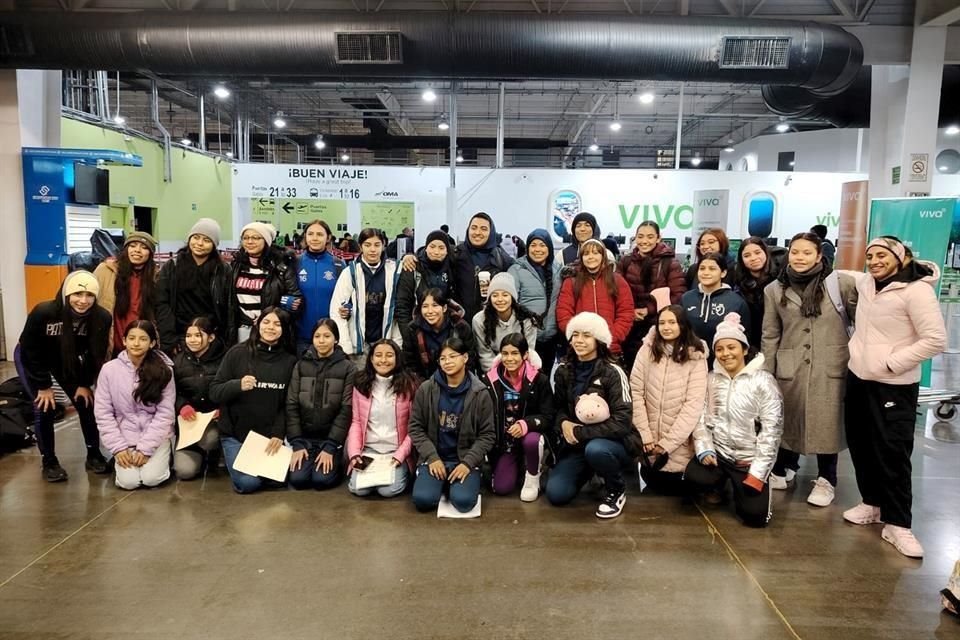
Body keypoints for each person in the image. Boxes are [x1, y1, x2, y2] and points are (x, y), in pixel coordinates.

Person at [841, 236, 946, 558]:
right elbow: (841, 274)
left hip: (894, 384)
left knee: (893, 452)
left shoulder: (917, 291)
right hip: (860, 378)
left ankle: (899, 524)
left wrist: (892, 363)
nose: (874, 261)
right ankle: (871, 503)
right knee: (861, 444)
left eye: (882, 255)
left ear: (901, 257)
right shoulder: (868, 285)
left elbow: (936, 339)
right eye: (870, 255)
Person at [761, 232, 857, 507]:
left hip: (830, 364)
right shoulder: (775, 289)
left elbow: (861, 321)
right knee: (788, 418)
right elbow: (770, 334)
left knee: (827, 423)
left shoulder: (840, 284)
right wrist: (767, 371)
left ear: (819, 255)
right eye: (795, 252)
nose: (799, 258)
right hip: (789, 365)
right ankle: (783, 469)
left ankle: (827, 479)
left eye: (806, 252)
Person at [686, 314, 783, 528]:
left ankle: (754, 484)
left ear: (745, 350)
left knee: (755, 518)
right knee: (693, 477)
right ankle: (718, 486)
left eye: (732, 347)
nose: (725, 354)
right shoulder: (711, 379)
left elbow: (772, 432)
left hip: (748, 461)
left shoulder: (763, 381)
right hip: (720, 455)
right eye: (719, 349)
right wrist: (705, 449)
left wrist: (758, 473)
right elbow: (700, 417)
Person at [16, 270, 111, 481]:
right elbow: (30, 350)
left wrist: (84, 383)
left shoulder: (102, 317)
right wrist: (43, 385)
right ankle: (49, 461)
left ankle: (93, 454)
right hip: (32, 357)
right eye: (77, 294)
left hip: (64, 359)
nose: (83, 301)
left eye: (89, 296)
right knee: (45, 407)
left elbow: (94, 354)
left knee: (85, 403)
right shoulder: (44, 312)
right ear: (66, 294)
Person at [546, 312, 633, 519]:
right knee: (556, 494)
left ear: (598, 339)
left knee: (596, 450)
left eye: (586, 335)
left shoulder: (613, 372)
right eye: (575, 335)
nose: (579, 340)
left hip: (610, 443)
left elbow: (623, 421)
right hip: (577, 445)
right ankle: (590, 472)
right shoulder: (563, 371)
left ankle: (616, 490)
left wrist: (581, 431)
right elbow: (556, 409)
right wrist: (564, 423)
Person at [210, 307, 297, 494]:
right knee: (248, 484)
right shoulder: (237, 353)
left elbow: (287, 404)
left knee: (281, 480)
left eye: (277, 324)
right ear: (257, 324)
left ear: (284, 329)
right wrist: (237, 385)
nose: (271, 327)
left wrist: (278, 433)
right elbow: (214, 392)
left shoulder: (289, 361)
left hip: (268, 438)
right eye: (266, 322)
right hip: (236, 436)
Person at [408, 337, 496, 514]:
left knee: (463, 502)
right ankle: (439, 482)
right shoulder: (426, 389)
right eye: (443, 358)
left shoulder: (480, 393)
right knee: (423, 501)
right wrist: (432, 457)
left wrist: (467, 463)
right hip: (435, 458)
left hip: (464, 459)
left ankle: (457, 482)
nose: (447, 362)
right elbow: (415, 428)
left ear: (465, 358)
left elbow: (487, 435)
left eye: (452, 356)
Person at [628, 304, 708, 495]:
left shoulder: (695, 356)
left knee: (680, 489)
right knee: (653, 484)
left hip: (678, 446)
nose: (666, 327)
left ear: (683, 325)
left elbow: (693, 405)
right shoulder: (646, 351)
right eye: (662, 322)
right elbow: (636, 392)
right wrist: (645, 436)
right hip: (648, 446)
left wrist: (667, 444)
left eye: (672, 322)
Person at [94, 320, 175, 490]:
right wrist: (118, 448)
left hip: (156, 437)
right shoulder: (109, 370)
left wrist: (146, 449)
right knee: (128, 483)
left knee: (151, 479)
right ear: (124, 341)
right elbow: (103, 413)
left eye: (143, 339)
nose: (136, 343)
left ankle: (165, 458)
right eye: (131, 338)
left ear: (152, 343)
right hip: (124, 437)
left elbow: (165, 413)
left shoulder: (165, 370)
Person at [404, 213, 514, 323]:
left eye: (484, 229)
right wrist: (410, 256)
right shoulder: (456, 252)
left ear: (491, 233)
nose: (477, 232)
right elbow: (432, 253)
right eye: (474, 228)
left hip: (490, 322)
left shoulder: (502, 259)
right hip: (459, 322)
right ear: (468, 230)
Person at [285, 319, 356, 490]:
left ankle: (337, 463)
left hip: (331, 439)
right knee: (298, 480)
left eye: (327, 336)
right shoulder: (301, 365)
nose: (321, 340)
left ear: (336, 339)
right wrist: (297, 442)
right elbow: (291, 403)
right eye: (317, 336)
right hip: (305, 438)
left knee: (321, 481)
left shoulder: (348, 368)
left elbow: (346, 409)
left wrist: (331, 445)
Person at [484, 333, 555, 501]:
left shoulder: (539, 380)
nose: (509, 358)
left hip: (529, 435)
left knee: (531, 440)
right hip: (505, 442)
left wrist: (526, 424)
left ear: (525, 355)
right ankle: (515, 465)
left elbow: (548, 415)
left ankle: (532, 476)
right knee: (501, 488)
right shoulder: (490, 381)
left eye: (515, 353)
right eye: (505, 354)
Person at [346, 339, 419, 498]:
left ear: (397, 358)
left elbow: (415, 427)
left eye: (389, 355)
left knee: (388, 491)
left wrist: (400, 456)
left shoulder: (409, 385)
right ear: (371, 359)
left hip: (395, 451)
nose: (383, 360)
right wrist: (354, 454)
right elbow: (356, 422)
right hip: (369, 451)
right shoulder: (361, 383)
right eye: (378, 355)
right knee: (358, 489)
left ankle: (403, 473)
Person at [155, 218, 235, 355]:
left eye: (206, 240)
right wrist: (169, 340)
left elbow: (228, 307)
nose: (199, 243)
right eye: (196, 238)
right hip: (179, 335)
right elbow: (162, 303)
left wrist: (224, 340)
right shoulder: (172, 266)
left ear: (214, 245)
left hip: (211, 336)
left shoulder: (223, 270)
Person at [618, 221, 686, 369]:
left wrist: (648, 310)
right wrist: (631, 311)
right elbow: (617, 292)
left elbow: (678, 296)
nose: (644, 241)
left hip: (659, 327)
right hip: (630, 328)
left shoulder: (670, 263)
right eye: (640, 236)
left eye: (650, 237)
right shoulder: (625, 262)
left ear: (658, 238)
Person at [331, 227, 403, 359]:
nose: (373, 250)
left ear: (384, 245)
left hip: (385, 342)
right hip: (358, 345)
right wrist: (346, 347)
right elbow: (336, 310)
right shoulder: (350, 273)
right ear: (360, 246)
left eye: (377, 245)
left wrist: (396, 343)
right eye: (367, 245)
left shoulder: (395, 270)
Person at [556, 239, 634, 359]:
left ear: (603, 256)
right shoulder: (571, 282)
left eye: (595, 253)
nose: (591, 257)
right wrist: (577, 336)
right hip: (580, 350)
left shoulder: (617, 280)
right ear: (581, 258)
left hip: (610, 348)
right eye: (586, 254)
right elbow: (563, 313)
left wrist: (612, 336)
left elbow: (626, 312)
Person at [172, 317, 226, 480]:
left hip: (214, 421)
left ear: (211, 337)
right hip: (188, 425)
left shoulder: (226, 358)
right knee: (184, 472)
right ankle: (199, 456)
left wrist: (222, 409)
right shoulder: (178, 361)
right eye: (189, 336)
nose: (192, 340)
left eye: (198, 335)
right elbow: (171, 393)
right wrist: (182, 406)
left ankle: (215, 455)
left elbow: (232, 390)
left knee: (209, 440)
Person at [232, 222, 302, 343]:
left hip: (270, 329)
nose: (249, 241)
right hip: (242, 327)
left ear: (266, 241)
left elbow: (294, 298)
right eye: (246, 238)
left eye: (255, 238)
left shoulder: (281, 267)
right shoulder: (236, 265)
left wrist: (269, 317)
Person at [93, 231, 159, 357]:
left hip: (141, 347)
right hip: (111, 345)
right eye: (133, 245)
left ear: (150, 254)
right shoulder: (105, 270)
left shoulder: (155, 277)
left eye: (144, 247)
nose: (137, 250)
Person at [508, 229, 562, 370]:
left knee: (545, 379)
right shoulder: (517, 269)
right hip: (526, 338)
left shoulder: (558, 270)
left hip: (551, 337)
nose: (537, 249)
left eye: (542, 245)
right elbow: (511, 303)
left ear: (549, 248)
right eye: (533, 245)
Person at [680, 252, 750, 358]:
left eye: (712, 269)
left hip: (723, 360)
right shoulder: (686, 299)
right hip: (690, 359)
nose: (706, 273)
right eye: (702, 268)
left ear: (723, 273)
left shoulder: (736, 302)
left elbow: (746, 336)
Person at [471, 272, 540, 372]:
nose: (500, 299)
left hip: (520, 366)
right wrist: (498, 376)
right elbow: (484, 354)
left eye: (505, 295)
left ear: (512, 297)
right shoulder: (479, 320)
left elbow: (528, 352)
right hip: (493, 370)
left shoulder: (527, 319)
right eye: (495, 295)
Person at [402, 288, 476, 379]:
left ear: (444, 308)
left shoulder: (461, 327)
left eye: (435, 305)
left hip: (457, 380)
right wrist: (425, 387)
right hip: (423, 384)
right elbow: (409, 363)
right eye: (425, 306)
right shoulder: (412, 329)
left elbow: (469, 359)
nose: (430, 311)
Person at [395, 230, 457, 337]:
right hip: (418, 329)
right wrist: (409, 336)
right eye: (432, 246)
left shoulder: (452, 267)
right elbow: (402, 306)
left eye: (441, 248)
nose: (436, 252)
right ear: (426, 248)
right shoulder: (412, 267)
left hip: (445, 329)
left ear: (447, 250)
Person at [295, 219, 344, 355]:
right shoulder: (295, 262)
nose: (315, 238)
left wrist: (348, 307)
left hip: (330, 337)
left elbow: (347, 296)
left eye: (320, 234)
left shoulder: (338, 265)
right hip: (301, 337)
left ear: (328, 237)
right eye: (310, 234)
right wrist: (287, 302)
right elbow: (284, 291)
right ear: (305, 236)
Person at [733, 237, 778, 348]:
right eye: (747, 256)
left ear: (766, 253)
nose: (753, 258)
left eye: (757, 252)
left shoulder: (778, 280)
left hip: (775, 339)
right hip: (749, 341)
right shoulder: (738, 283)